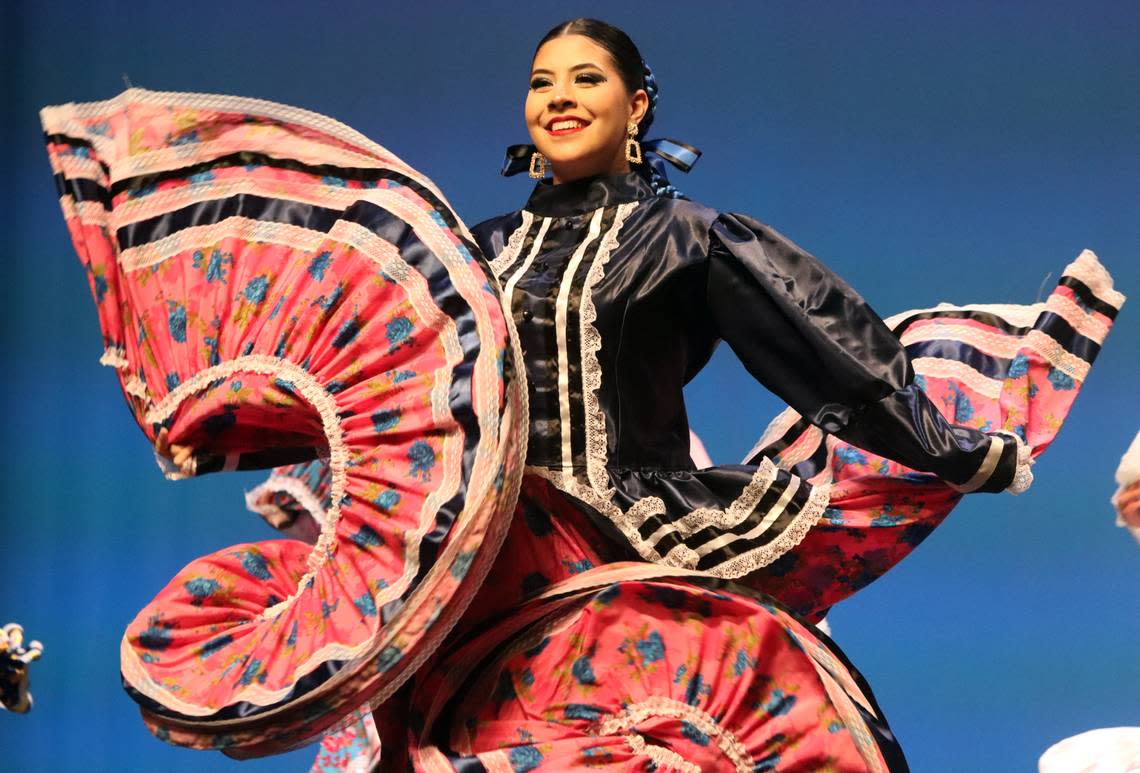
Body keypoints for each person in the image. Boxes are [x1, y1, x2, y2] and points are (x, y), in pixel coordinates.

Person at [283, 18, 1121, 771]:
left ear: (638, 105)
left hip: (628, 541)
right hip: (487, 558)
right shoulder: (473, 254)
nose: (559, 98)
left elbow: (823, 346)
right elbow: (400, 378)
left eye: (586, 79)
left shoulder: (687, 237)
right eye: (541, 82)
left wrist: (944, 446)